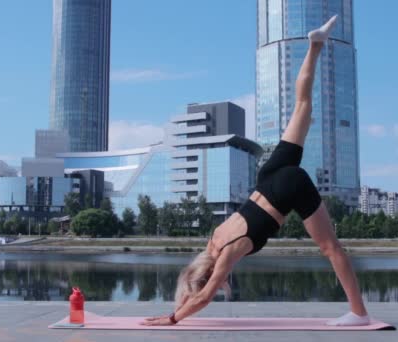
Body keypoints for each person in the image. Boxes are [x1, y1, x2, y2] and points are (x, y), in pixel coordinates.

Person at [142, 15, 370, 327]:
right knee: (302, 105)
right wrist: (185, 296)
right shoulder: (215, 238)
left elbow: (204, 294)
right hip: (268, 178)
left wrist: (173, 317)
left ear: (209, 273)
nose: (220, 283)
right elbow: (194, 284)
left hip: (288, 186)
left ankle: (358, 312)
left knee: (331, 248)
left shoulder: (226, 253)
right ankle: (315, 45)